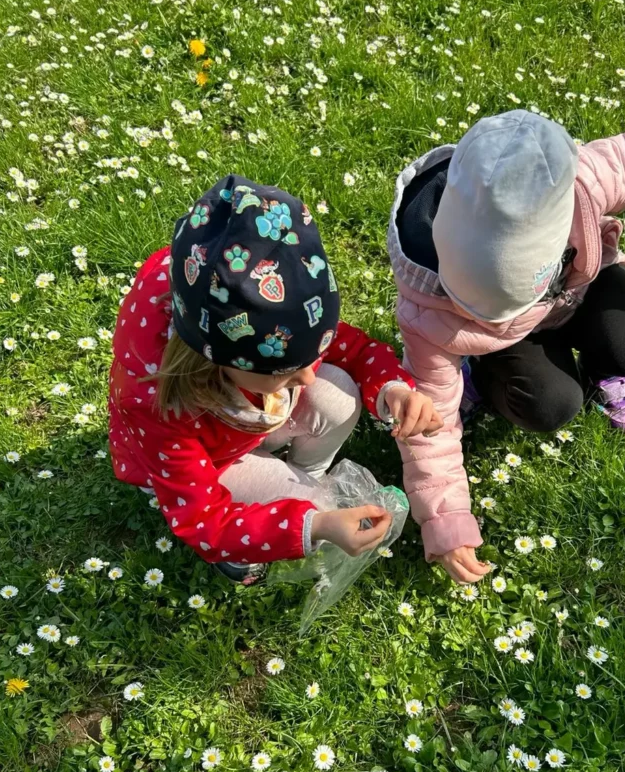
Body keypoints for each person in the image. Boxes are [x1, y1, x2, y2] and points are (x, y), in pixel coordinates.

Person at [388, 111, 625, 584]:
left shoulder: (574, 181)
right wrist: (446, 520)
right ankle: (481, 377)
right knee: (551, 404)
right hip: (507, 342)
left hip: (581, 290)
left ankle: (606, 371)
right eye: (483, 307)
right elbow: (430, 421)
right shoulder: (429, 310)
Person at [109, 174, 441, 583]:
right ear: (217, 359)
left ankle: (302, 482)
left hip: (240, 423)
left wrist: (395, 390)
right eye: (282, 372)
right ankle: (270, 516)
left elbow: (354, 351)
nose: (308, 377)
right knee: (314, 511)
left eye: (314, 353)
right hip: (210, 465)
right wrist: (317, 524)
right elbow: (204, 519)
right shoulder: (159, 401)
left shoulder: (274, 326)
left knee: (337, 396)